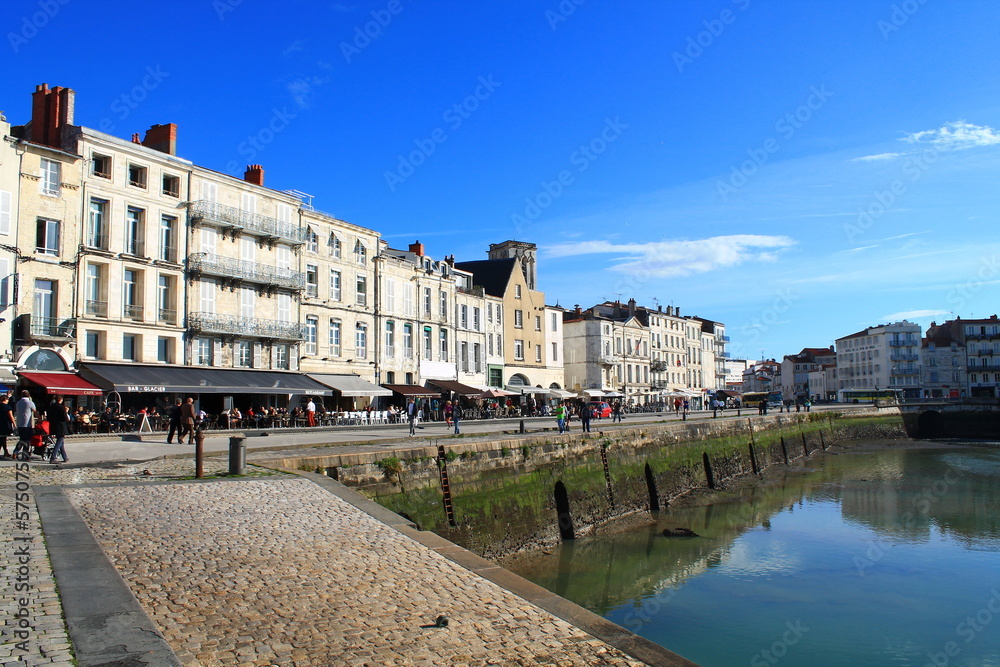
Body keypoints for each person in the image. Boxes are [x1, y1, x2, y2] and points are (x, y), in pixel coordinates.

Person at [47, 394, 70, 464]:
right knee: (59, 441)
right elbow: (66, 418)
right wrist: (66, 412)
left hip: (54, 425)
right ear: (61, 400)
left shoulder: (51, 407)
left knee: (61, 441)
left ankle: (65, 457)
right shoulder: (62, 407)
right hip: (61, 426)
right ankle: (53, 457)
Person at [13, 391, 36, 458]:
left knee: (22, 439)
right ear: (29, 396)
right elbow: (35, 411)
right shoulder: (30, 403)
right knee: (27, 440)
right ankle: (25, 455)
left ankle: (16, 452)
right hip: (27, 424)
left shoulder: (18, 403)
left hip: (19, 424)